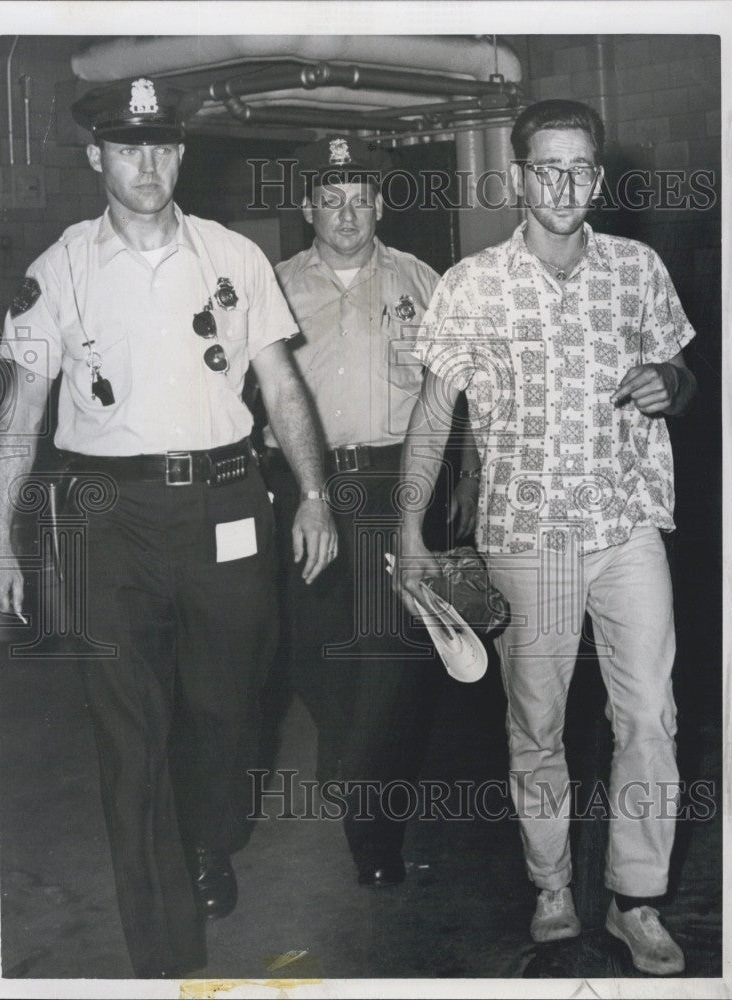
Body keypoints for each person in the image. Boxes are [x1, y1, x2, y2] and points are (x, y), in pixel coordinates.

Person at [0, 77, 336, 978]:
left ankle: (211, 831)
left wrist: (314, 493)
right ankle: (165, 955)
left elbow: (282, 385)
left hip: (228, 502)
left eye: (162, 146)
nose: (147, 164)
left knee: (229, 711)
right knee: (129, 735)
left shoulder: (233, 255)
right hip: (108, 517)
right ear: (96, 156)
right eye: (127, 147)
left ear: (181, 153)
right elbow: (20, 414)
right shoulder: (58, 268)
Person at [394, 100, 696, 975]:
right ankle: (553, 881)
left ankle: (636, 898)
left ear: (596, 177)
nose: (563, 184)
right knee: (538, 722)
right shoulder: (471, 285)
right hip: (527, 537)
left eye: (579, 168)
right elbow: (431, 418)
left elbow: (682, 374)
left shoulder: (638, 270)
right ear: (519, 176)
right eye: (545, 167)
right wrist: (409, 529)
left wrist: (667, 384)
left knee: (651, 714)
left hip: (626, 524)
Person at [262, 136, 479, 887]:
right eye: (331, 198)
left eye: (360, 198)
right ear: (307, 208)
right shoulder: (274, 288)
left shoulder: (424, 280)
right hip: (308, 490)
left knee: (391, 661)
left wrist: (466, 476)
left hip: (396, 484)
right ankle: (351, 755)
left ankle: (374, 830)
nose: (347, 213)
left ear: (380, 205)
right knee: (317, 651)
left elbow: (454, 394)